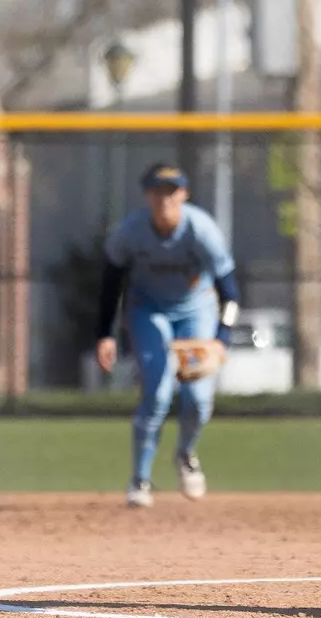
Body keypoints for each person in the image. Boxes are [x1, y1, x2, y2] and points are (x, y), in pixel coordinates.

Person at [95, 163, 240, 508]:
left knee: (198, 397)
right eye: (157, 192)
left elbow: (230, 292)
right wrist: (104, 333)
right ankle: (140, 479)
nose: (165, 200)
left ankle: (186, 453)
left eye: (172, 192)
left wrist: (222, 338)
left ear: (184, 194)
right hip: (148, 310)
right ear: (147, 196)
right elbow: (111, 281)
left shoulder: (201, 230)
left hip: (197, 310)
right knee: (157, 392)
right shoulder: (131, 232)